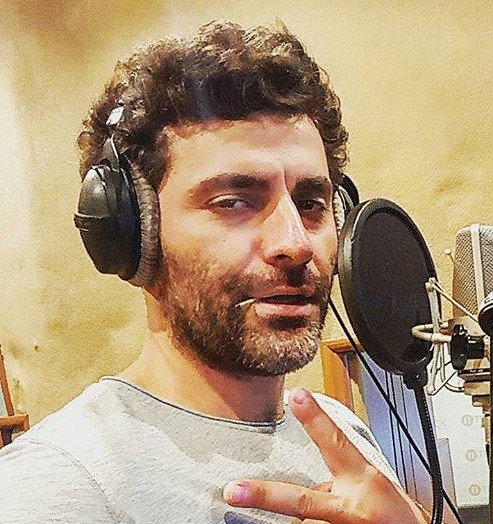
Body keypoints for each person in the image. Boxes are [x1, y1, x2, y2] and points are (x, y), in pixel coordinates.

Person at [0, 21, 429, 524]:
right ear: (133, 232)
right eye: (233, 202)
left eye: (312, 203)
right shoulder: (58, 486)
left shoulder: (341, 435)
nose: (294, 243)